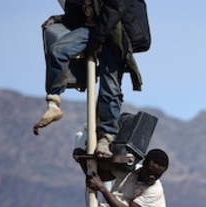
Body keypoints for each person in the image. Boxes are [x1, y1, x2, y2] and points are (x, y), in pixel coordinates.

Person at [35, 0, 148, 159]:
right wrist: (61, 19)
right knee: (58, 51)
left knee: (110, 87)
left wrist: (97, 39)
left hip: (116, 33)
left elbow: (116, 8)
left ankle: (105, 137)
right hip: (92, 30)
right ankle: (54, 103)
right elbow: (78, 12)